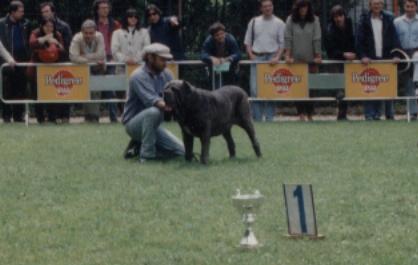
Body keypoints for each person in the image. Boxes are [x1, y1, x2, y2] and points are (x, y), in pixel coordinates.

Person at [122, 43, 185, 163]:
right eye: (162, 59)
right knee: (154, 111)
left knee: (181, 152)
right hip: (133, 124)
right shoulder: (138, 76)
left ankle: (138, 146)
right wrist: (175, 106)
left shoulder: (167, 74)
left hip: (154, 125)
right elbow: (154, 102)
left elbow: (178, 95)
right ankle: (147, 156)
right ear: (150, 58)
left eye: (166, 60)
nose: (165, 63)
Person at [356, 0, 401, 121]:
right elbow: (359, 40)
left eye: (379, 3)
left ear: (382, 5)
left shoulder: (389, 19)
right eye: (374, 3)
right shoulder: (363, 20)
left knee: (387, 86)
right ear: (370, 5)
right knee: (370, 87)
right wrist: (362, 56)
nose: (377, 6)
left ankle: (389, 114)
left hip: (386, 58)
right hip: (370, 59)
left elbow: (395, 39)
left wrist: (396, 54)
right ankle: (370, 114)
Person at [244, 0, 285, 122]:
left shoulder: (279, 23)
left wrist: (278, 57)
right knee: (255, 89)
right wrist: (251, 55)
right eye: (265, 6)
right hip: (257, 57)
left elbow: (282, 43)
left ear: (273, 7)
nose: (267, 8)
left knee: (272, 89)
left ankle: (270, 117)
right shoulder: (254, 21)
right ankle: (257, 118)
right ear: (261, 8)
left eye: (270, 6)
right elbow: (248, 42)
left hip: (272, 58)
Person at [284, 0, 322, 122]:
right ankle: (300, 114)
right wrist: (287, 56)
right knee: (297, 88)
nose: (303, 9)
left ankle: (310, 114)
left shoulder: (315, 20)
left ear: (308, 7)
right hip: (295, 61)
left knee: (312, 88)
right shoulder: (290, 20)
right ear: (297, 8)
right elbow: (288, 38)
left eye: (305, 7)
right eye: (300, 7)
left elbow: (317, 38)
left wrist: (317, 56)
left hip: (311, 60)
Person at [40, 1, 73, 123]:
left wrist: (57, 50)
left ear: (53, 12)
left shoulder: (64, 26)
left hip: (62, 63)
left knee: (64, 91)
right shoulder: (40, 27)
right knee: (50, 91)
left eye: (47, 11)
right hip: (47, 65)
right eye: (43, 12)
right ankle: (52, 117)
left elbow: (68, 46)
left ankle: (65, 117)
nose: (44, 14)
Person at [29, 18, 65, 123]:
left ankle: (52, 117)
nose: (49, 29)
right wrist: (44, 38)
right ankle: (40, 119)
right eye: (46, 26)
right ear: (42, 26)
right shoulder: (35, 33)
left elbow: (63, 50)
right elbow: (31, 44)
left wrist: (57, 43)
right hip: (37, 69)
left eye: (51, 26)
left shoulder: (57, 35)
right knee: (37, 94)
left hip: (52, 69)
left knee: (52, 93)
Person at [69, 19, 106, 123]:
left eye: (91, 33)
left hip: (98, 68)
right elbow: (73, 57)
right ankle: (88, 117)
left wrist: (83, 57)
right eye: (86, 33)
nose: (88, 35)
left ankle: (94, 117)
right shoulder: (77, 38)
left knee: (96, 91)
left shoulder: (100, 36)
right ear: (81, 32)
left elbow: (101, 55)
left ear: (95, 32)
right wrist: (91, 60)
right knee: (85, 91)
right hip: (82, 70)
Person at [325, 5, 356, 121]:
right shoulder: (329, 30)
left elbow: (353, 40)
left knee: (347, 88)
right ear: (332, 18)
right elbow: (330, 50)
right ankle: (341, 113)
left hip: (349, 61)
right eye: (335, 16)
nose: (338, 19)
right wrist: (344, 54)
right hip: (336, 61)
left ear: (344, 16)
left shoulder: (350, 25)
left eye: (340, 15)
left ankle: (342, 114)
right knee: (340, 89)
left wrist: (353, 53)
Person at [0, 0, 30, 123]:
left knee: (21, 89)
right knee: (6, 89)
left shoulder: (25, 23)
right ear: (12, 12)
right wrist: (7, 59)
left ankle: (19, 116)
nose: (23, 13)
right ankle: (6, 116)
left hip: (22, 61)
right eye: (20, 11)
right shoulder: (1, 24)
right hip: (6, 61)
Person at [92, 0, 121, 123]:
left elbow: (121, 41)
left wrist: (116, 56)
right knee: (94, 87)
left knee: (111, 89)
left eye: (106, 8)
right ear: (97, 10)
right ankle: (93, 118)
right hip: (95, 58)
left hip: (110, 58)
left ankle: (113, 118)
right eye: (102, 8)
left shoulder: (115, 24)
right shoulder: (92, 24)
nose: (105, 10)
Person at [394, 0, 418, 120]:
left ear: (416, 7)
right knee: (408, 84)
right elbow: (394, 40)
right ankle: (413, 113)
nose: (409, 9)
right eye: (407, 6)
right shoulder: (397, 22)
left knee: (415, 83)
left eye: (412, 6)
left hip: (417, 54)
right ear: (404, 7)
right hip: (403, 55)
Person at [201, 22, 241, 88]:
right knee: (217, 89)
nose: (220, 36)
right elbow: (203, 54)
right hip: (215, 69)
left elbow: (238, 54)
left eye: (222, 34)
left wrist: (228, 59)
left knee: (230, 89)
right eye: (217, 35)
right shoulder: (208, 41)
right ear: (213, 36)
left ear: (225, 33)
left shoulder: (230, 39)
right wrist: (211, 58)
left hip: (229, 69)